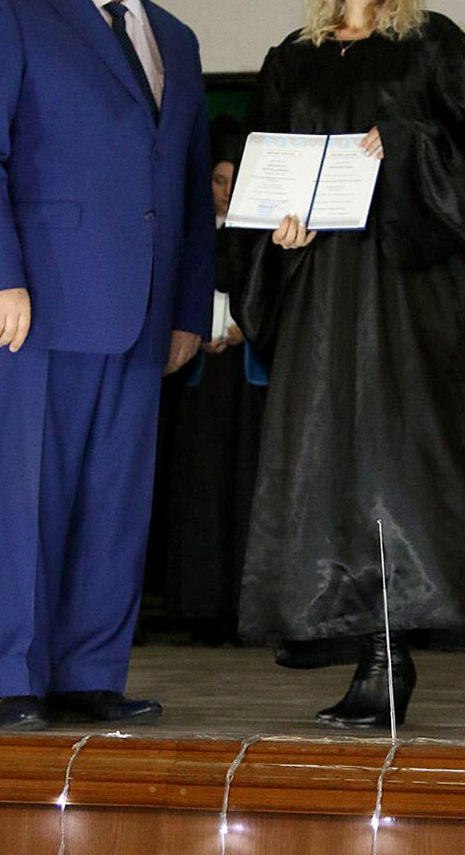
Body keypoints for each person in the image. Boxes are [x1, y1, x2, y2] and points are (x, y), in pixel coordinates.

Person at [0, 0, 214, 730]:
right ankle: (18, 677)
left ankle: (91, 671)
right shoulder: (10, 8)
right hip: (35, 308)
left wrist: (188, 308)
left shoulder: (177, 38)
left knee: (115, 501)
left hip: (141, 313)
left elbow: (187, 185)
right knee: (27, 497)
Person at [229, 0, 465, 728]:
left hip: (403, 288)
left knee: (398, 460)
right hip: (320, 289)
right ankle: (363, 649)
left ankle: (392, 654)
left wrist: (407, 142)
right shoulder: (293, 60)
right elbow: (267, 170)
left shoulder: (435, 47)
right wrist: (277, 230)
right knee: (328, 462)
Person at [162, 114, 265, 643]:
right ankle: (197, 609)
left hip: (247, 384)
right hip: (199, 381)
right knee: (199, 493)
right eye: (218, 180)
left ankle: (247, 612)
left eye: (234, 180)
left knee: (247, 492)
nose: (225, 190)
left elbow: (281, 297)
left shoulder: (266, 237)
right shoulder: (186, 232)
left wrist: (251, 327)